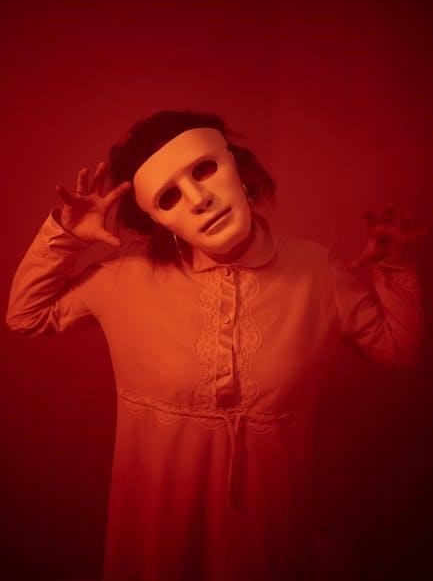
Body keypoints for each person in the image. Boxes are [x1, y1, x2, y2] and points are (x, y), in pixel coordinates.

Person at [6, 110, 425, 580]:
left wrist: (395, 267)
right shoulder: (123, 276)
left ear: (237, 167)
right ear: (156, 220)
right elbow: (25, 315)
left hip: (267, 534)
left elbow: (399, 351)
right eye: (168, 197)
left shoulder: (317, 271)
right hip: (156, 535)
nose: (199, 200)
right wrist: (64, 238)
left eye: (204, 169)